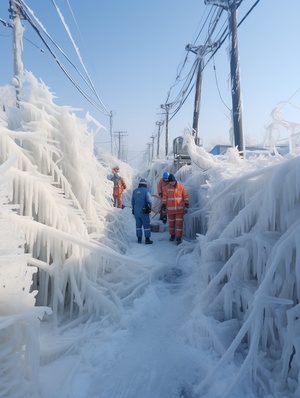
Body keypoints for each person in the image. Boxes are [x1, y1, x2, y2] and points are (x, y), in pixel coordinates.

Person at [161, 173, 189, 245]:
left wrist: (186, 203)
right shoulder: (167, 188)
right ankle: (172, 235)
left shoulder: (181, 187)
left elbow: (185, 196)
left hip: (179, 210)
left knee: (179, 224)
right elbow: (164, 197)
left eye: (172, 181)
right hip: (170, 210)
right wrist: (164, 204)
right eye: (170, 182)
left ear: (174, 180)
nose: (171, 183)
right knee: (171, 224)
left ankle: (178, 237)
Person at [131, 178, 153, 244]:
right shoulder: (146, 191)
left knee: (138, 225)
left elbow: (132, 202)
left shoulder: (135, 191)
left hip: (136, 211)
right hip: (144, 211)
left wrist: (134, 209)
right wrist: (149, 207)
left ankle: (139, 239)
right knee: (146, 225)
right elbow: (149, 200)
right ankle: (147, 239)